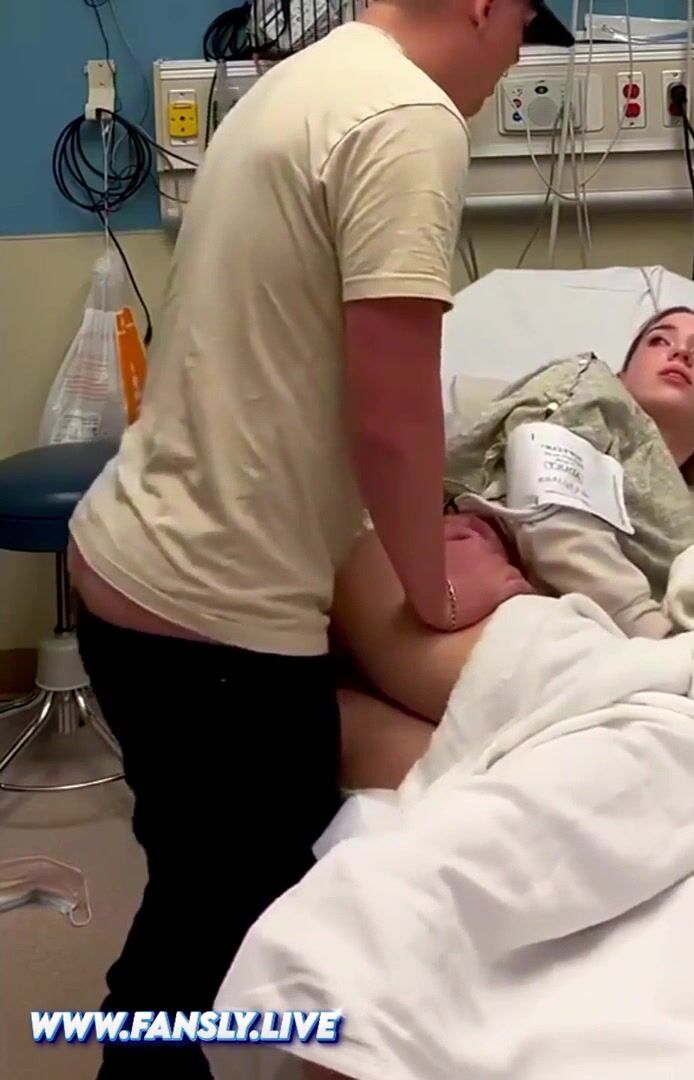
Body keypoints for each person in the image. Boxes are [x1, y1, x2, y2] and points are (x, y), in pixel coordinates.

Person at [66, 2, 575, 1077]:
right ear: (484, 6)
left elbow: (296, 366)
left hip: (130, 558)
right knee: (214, 933)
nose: (513, 64)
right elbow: (391, 416)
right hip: (211, 617)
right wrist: (436, 593)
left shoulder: (303, 82)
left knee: (192, 884)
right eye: (522, 32)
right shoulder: (409, 118)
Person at [333, 307, 694, 792]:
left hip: (552, 639)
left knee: (451, 778)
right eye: (660, 341)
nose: (680, 353)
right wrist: (662, 641)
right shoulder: (593, 391)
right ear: (624, 375)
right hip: (450, 576)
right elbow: (553, 519)